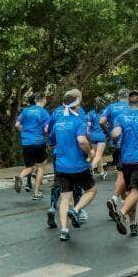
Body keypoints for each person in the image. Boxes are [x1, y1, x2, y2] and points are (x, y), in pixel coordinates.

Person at [108, 90, 138, 237]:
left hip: (126, 160)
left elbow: (115, 134)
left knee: (130, 193)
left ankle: (133, 223)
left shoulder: (121, 116)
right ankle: (122, 213)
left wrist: (116, 141)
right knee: (136, 191)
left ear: (129, 102)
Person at [49, 92, 97, 241]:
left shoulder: (57, 122)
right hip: (78, 166)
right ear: (76, 105)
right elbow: (82, 140)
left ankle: (64, 230)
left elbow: (51, 142)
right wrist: (90, 152)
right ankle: (75, 210)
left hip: (61, 166)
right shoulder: (79, 122)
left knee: (64, 198)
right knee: (91, 190)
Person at [14, 93, 50, 199]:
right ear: (43, 100)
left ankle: (20, 176)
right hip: (38, 142)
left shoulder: (26, 111)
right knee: (41, 165)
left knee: (30, 167)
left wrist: (24, 132)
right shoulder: (44, 112)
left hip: (26, 142)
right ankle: (36, 192)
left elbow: (17, 125)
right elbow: (46, 129)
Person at [86, 98, 109, 178]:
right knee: (98, 155)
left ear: (94, 104)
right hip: (102, 136)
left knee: (95, 154)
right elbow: (107, 125)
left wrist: (88, 136)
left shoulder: (90, 113)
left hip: (93, 136)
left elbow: (88, 126)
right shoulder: (105, 113)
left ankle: (102, 172)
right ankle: (90, 167)